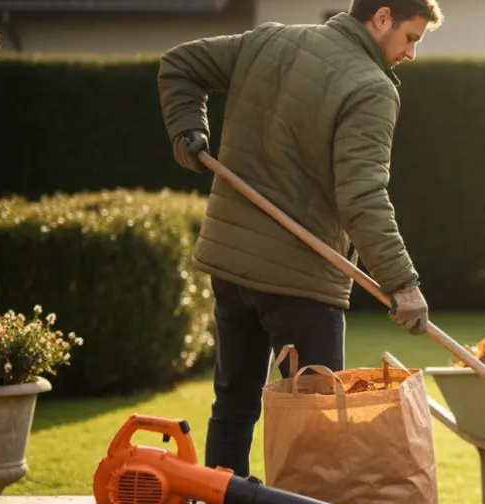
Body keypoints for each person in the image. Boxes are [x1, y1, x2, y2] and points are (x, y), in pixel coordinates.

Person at [157, 1, 443, 478]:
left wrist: (187, 128)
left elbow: (179, 63)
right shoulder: (370, 88)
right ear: (381, 17)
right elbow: (362, 196)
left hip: (233, 267)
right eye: (411, 37)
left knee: (233, 402)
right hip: (302, 282)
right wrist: (402, 282)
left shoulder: (271, 39)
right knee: (317, 424)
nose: (411, 53)